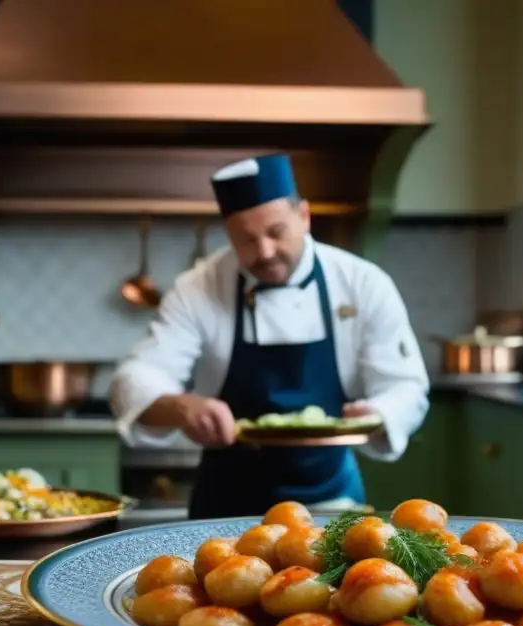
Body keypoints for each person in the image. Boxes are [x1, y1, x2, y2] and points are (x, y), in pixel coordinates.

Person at [109, 153, 430, 519]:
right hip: (226, 506)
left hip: (332, 500)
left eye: (276, 232)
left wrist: (377, 413)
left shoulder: (362, 283)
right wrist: (184, 407)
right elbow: (134, 378)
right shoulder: (198, 287)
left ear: (304, 217)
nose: (264, 252)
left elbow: (406, 386)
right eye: (245, 239)